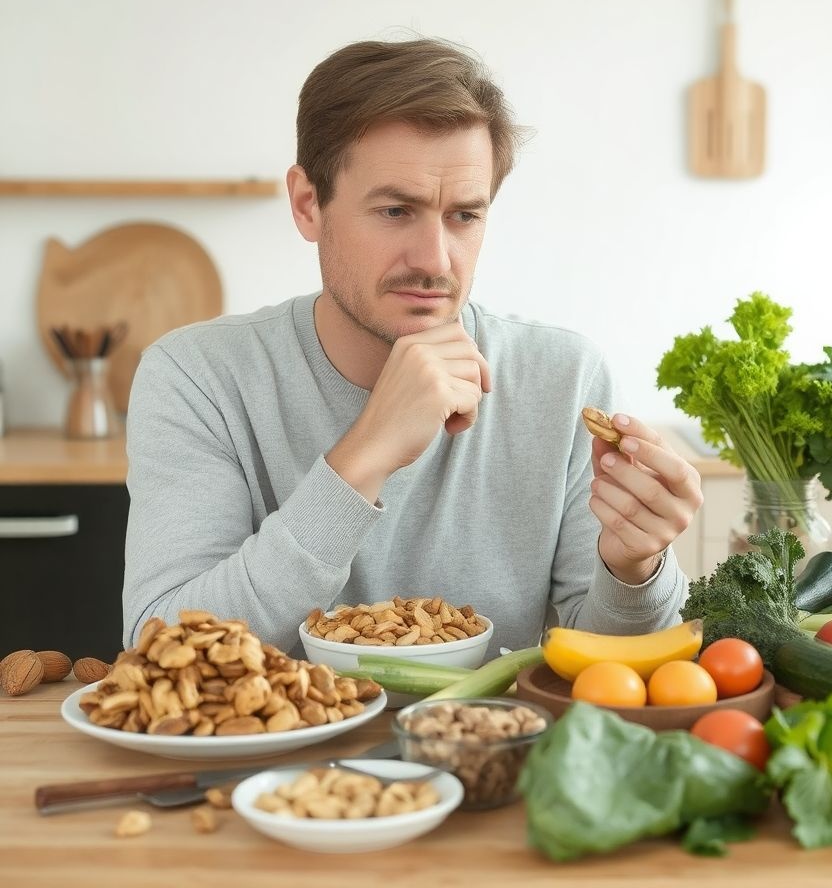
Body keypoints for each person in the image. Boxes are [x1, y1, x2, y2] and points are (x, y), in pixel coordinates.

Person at [121, 38, 700, 656]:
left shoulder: (563, 378)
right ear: (308, 204)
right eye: (397, 210)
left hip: (491, 750)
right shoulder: (196, 377)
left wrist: (634, 569)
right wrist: (363, 456)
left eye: (464, 216)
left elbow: (616, 670)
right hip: (267, 756)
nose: (434, 260)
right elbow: (162, 651)